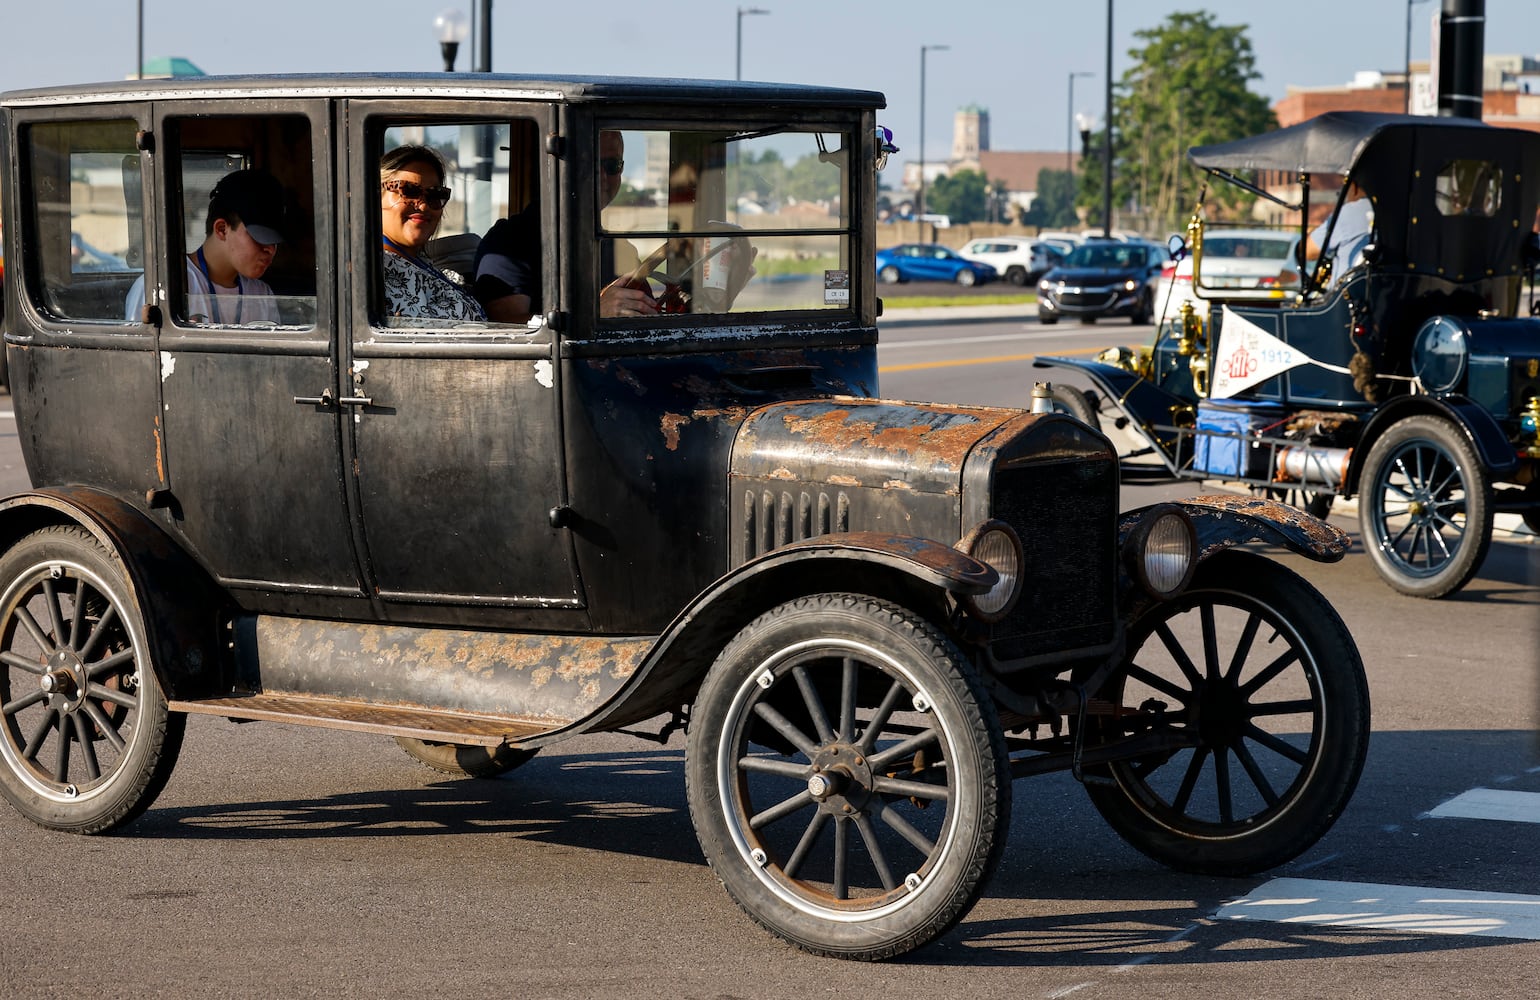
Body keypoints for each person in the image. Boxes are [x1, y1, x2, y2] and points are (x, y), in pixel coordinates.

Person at [473, 130, 655, 321]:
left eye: (612, 165)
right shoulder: (509, 241)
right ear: (556, 168)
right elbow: (508, 329)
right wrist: (593, 314)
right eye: (588, 164)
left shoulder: (621, 249)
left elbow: (645, 313)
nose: (601, 176)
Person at [124, 168, 286, 325]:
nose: (270, 249)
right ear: (222, 229)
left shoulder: (261, 295)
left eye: (275, 240)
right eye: (259, 237)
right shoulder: (160, 289)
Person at [380, 144, 486, 322]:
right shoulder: (369, 272)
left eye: (435, 195)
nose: (423, 205)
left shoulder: (425, 266)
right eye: (409, 191)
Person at [1305, 178, 1373, 268]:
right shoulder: (1395, 211)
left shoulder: (1350, 212)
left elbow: (1307, 251)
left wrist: (1310, 234)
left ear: (1354, 187)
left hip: (1354, 279)